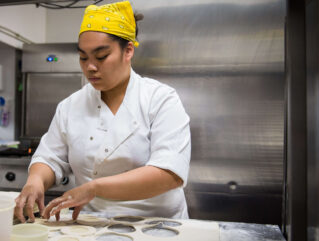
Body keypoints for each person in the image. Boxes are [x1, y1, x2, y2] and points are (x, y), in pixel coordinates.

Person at [14, 1, 191, 223]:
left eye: (101, 56)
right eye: (83, 57)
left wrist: (94, 188)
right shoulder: (71, 106)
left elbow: (169, 173)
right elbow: (50, 157)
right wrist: (35, 181)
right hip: (93, 224)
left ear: (128, 51)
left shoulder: (160, 99)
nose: (90, 67)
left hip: (158, 225)